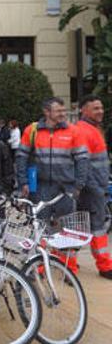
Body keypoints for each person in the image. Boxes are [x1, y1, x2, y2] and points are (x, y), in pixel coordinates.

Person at [15, 97, 87, 229]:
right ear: (46, 112)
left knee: (65, 230)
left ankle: (62, 250)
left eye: (64, 110)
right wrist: (23, 182)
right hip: (39, 188)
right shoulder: (32, 130)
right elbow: (21, 157)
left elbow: (82, 159)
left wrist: (79, 185)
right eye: (58, 111)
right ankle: (42, 249)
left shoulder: (74, 131)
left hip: (66, 189)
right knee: (40, 228)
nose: (63, 114)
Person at [72, 95, 112, 279]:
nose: (100, 111)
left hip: (92, 187)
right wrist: (94, 188)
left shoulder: (91, 129)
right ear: (83, 110)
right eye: (95, 108)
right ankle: (105, 266)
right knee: (97, 227)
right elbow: (82, 163)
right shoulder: (84, 131)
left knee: (78, 227)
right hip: (92, 189)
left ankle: (67, 263)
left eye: (101, 107)